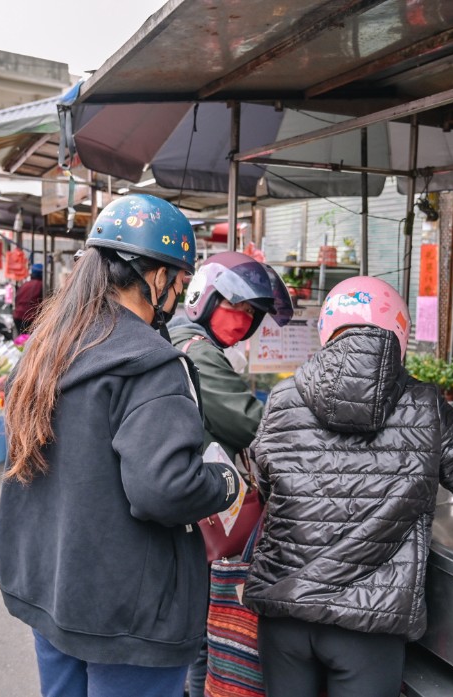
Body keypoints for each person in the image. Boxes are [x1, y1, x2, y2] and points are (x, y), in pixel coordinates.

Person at [0, 193, 242, 697]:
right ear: (157, 276)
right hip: (127, 611)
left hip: (52, 588)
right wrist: (224, 481)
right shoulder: (151, 363)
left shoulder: (50, 346)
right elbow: (164, 490)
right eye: (181, 281)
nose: (178, 295)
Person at [243, 276, 453, 697]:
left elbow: (264, 482)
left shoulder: (282, 398)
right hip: (367, 625)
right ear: (398, 333)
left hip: (285, 614)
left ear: (328, 331)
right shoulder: (425, 405)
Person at [167, 251, 294, 697]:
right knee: (206, 633)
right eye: (233, 307)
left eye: (251, 314)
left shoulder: (185, 339)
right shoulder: (196, 350)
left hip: (186, 503)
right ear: (205, 298)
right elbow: (249, 423)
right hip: (197, 510)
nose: (242, 322)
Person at [12, 262, 44, 335]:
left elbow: (16, 299)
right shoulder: (41, 285)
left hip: (18, 317)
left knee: (22, 341)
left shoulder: (25, 285)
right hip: (29, 319)